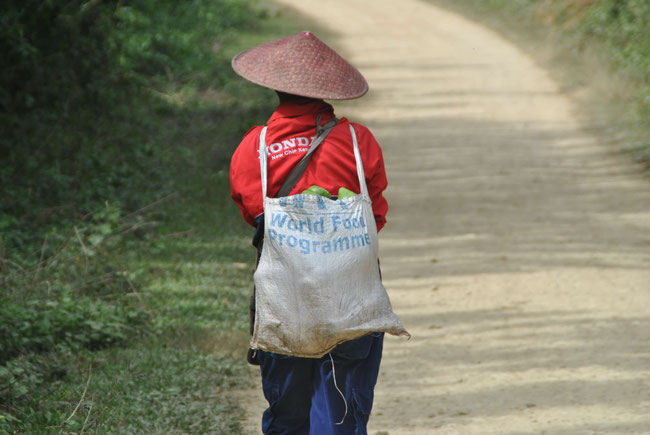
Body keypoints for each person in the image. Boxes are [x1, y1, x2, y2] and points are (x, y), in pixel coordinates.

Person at [229, 31, 394, 434]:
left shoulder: (256, 147)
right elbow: (376, 215)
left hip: (285, 300)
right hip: (351, 296)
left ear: (274, 85)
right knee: (339, 417)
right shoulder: (358, 141)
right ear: (328, 90)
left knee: (287, 417)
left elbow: (253, 213)